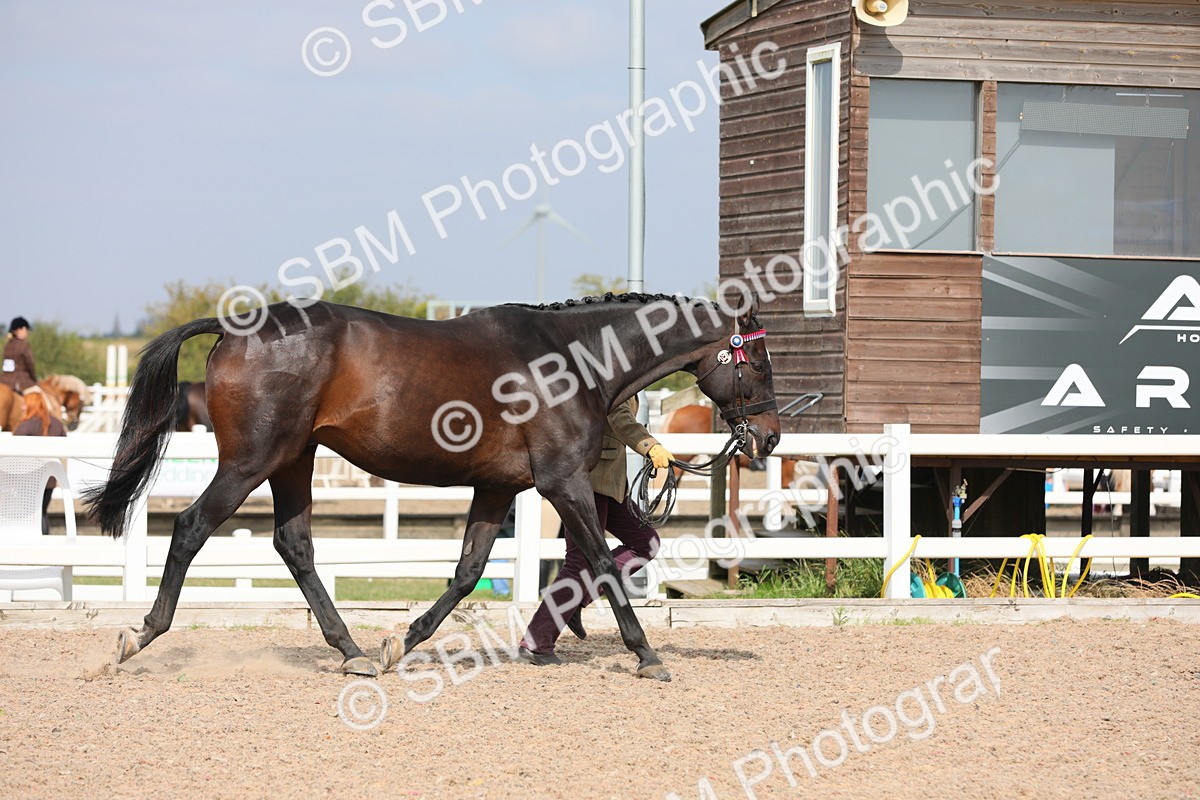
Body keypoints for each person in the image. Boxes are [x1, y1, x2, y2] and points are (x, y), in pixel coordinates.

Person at [518, 397, 674, 665]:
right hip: (587, 479)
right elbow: (618, 415)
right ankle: (536, 643)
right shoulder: (609, 374)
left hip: (611, 483)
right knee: (580, 562)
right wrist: (650, 446)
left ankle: (576, 600)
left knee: (645, 543)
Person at [13, 387, 67, 535]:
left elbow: (13, 449)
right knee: (42, 512)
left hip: (27, 479)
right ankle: (45, 540)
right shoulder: (56, 424)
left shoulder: (26, 426)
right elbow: (64, 445)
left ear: (31, 405)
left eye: (25, 404)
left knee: (31, 514)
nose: (22, 407)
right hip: (49, 479)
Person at [1, 317, 38, 394]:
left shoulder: (7, 345)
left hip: (4, 381)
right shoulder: (23, 345)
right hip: (20, 382)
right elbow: (30, 365)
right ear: (21, 329)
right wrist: (34, 379)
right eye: (26, 330)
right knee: (40, 393)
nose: (27, 333)